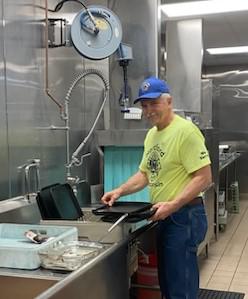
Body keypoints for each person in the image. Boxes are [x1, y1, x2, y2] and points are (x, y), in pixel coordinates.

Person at [101, 76, 212, 299]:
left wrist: (173, 205)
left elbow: (204, 177)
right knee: (168, 283)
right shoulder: (152, 134)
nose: (148, 110)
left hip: (184, 216)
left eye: (154, 103)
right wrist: (119, 190)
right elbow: (145, 174)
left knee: (181, 286)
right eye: (144, 105)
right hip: (164, 215)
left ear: (169, 101)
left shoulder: (185, 131)